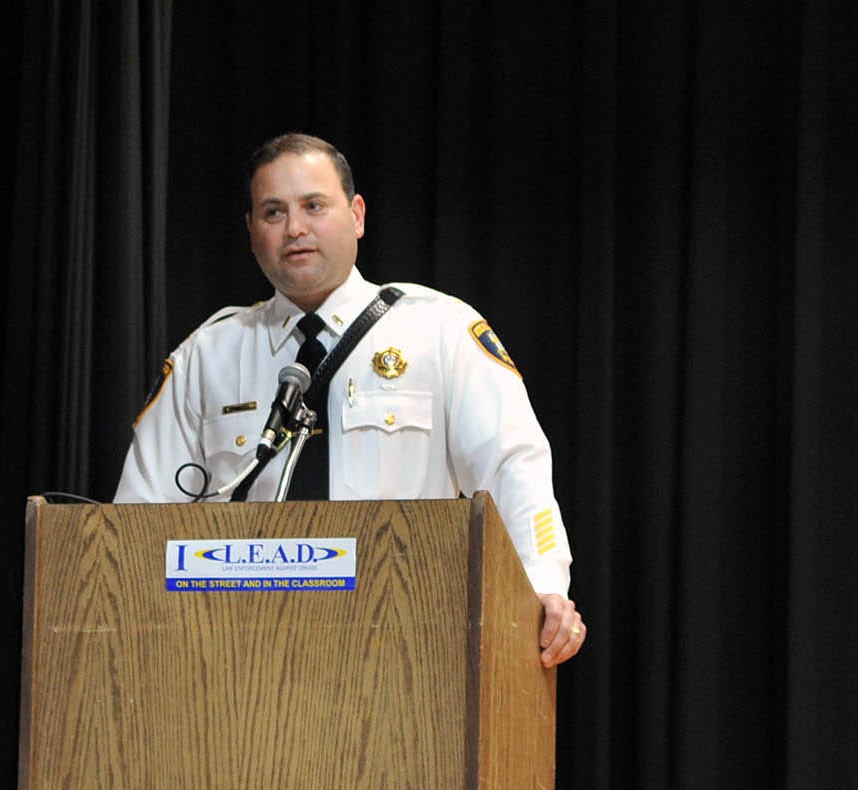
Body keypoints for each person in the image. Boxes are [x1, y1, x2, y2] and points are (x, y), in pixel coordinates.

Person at [114, 133, 586, 667]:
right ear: (251, 232)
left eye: (314, 205)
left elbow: (513, 467)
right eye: (273, 212)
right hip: (237, 659)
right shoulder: (208, 355)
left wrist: (541, 586)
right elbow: (140, 517)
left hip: (404, 644)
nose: (295, 228)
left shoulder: (440, 330)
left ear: (357, 215)